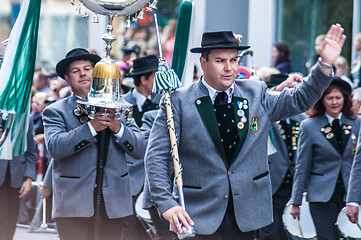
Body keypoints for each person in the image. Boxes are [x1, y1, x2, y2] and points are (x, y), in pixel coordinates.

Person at [145, 24, 345, 239]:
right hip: (198, 214)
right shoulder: (178, 101)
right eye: (220, 61)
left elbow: (300, 98)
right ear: (203, 63)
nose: (229, 68)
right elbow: (156, 156)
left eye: (233, 60)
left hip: (247, 214)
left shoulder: (256, 92)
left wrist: (325, 65)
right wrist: (166, 202)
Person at [42, 48, 146, 240]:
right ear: (67, 78)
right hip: (74, 204)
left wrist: (116, 127)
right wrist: (91, 127)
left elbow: (140, 149)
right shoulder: (55, 111)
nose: (83, 73)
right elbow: (56, 147)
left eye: (88, 69)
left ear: (96, 74)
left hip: (113, 202)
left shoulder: (119, 107)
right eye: (75, 71)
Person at [289, 77, 360, 240]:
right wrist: (296, 201)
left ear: (345, 99)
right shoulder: (309, 126)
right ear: (321, 101)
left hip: (351, 193)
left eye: (338, 98)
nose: (334, 102)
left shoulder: (357, 123)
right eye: (330, 98)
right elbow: (302, 166)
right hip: (321, 196)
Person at [258, 74, 307, 240]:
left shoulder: (302, 118)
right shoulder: (265, 113)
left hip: (292, 183)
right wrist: (280, 88)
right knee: (269, 233)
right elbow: (262, 102)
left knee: (290, 233)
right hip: (270, 182)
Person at [121, 54, 161, 240]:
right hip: (129, 183)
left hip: (156, 184)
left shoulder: (165, 103)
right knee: (130, 233)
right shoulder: (120, 105)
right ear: (144, 79)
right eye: (156, 76)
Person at [0, 121, 37, 240]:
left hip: (15, 178)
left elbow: (31, 152)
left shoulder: (24, 117)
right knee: (3, 219)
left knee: (10, 221)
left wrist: (29, 178)